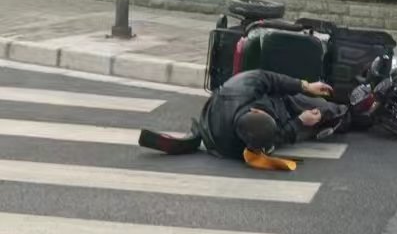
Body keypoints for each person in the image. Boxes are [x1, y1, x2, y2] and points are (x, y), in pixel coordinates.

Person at [140, 70, 344, 169]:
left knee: (331, 109)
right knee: (330, 115)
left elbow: (267, 78)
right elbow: (278, 137)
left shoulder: (240, 88)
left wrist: (305, 86)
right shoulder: (239, 148)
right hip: (284, 120)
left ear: (254, 112)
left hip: (280, 100)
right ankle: (347, 114)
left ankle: (346, 110)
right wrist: (299, 123)